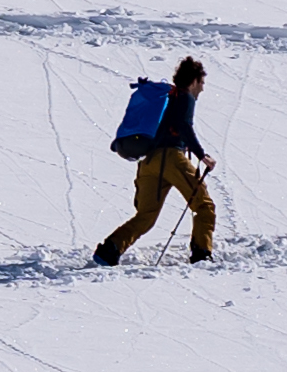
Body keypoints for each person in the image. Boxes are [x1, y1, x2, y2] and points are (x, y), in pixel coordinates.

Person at [93, 55, 218, 263]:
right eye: (202, 83)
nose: (202, 89)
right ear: (194, 80)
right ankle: (202, 255)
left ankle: (109, 250)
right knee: (204, 206)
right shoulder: (185, 96)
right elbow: (183, 125)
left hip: (148, 162)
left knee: (146, 215)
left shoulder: (167, 97)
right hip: (171, 158)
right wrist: (201, 155)